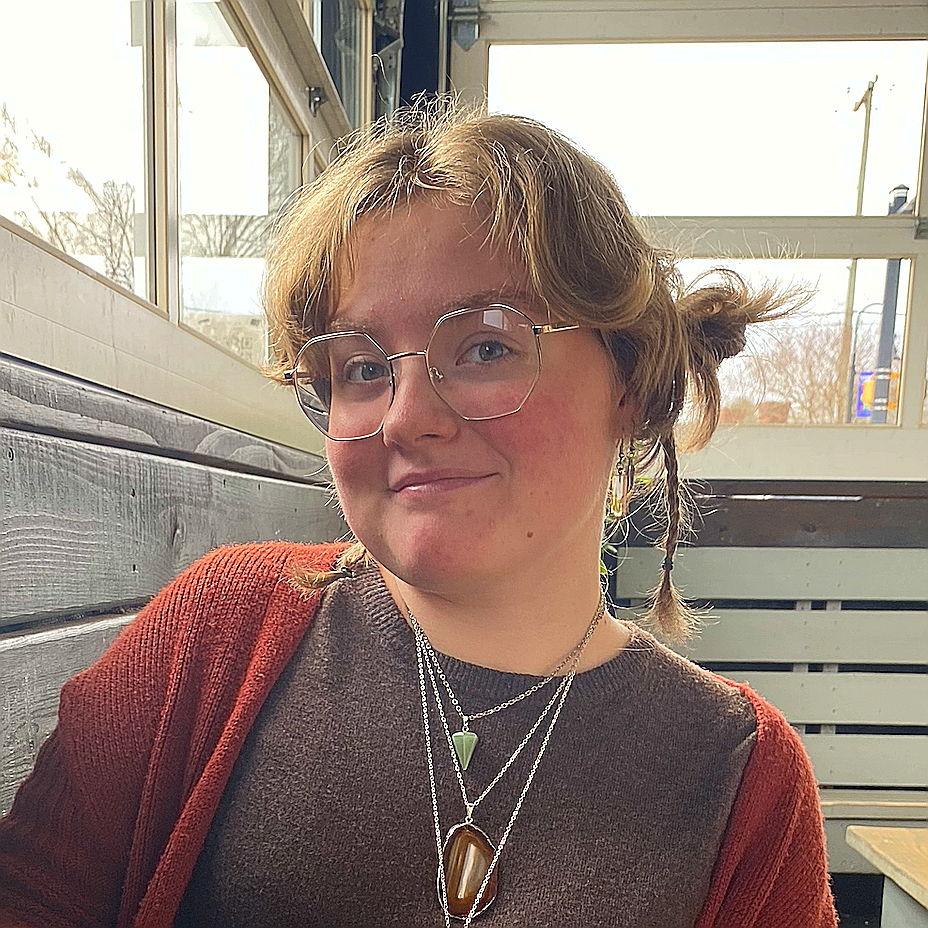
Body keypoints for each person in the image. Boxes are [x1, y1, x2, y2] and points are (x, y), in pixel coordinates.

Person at [0, 99, 838, 927]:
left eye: (486, 346)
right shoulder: (216, 634)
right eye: (362, 368)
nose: (405, 418)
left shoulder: (740, 781)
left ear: (630, 380)